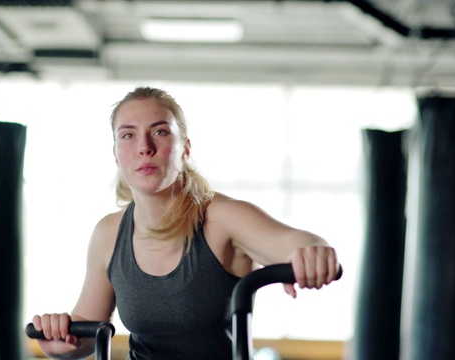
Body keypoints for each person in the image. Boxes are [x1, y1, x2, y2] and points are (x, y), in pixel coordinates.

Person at [31, 86, 341, 360]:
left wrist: (312, 252)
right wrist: (61, 341)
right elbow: (85, 332)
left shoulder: (221, 219)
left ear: (185, 149)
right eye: (128, 135)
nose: (144, 147)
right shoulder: (109, 233)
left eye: (160, 131)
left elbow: (299, 243)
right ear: (116, 154)